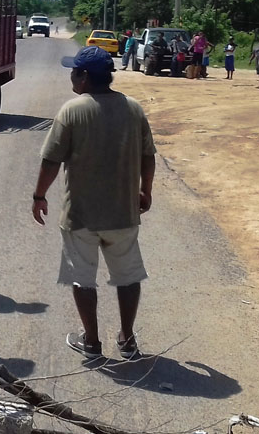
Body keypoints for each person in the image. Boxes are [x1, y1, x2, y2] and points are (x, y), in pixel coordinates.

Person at [32, 45, 156, 360]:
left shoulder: (72, 111)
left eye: (74, 71)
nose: (71, 76)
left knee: (82, 277)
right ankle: (127, 340)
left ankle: (92, 341)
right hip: (123, 214)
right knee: (128, 277)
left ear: (84, 77)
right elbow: (147, 156)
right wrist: (146, 191)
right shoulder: (133, 108)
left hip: (81, 216)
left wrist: (39, 195)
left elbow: (51, 161)